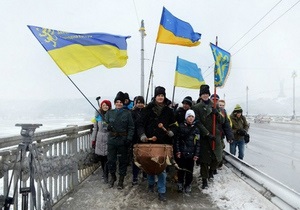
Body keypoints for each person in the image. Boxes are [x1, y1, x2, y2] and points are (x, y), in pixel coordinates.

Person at [137, 86, 177, 202]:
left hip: (163, 143)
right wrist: (142, 135)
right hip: (149, 143)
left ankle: (161, 191)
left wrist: (172, 132)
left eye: (162, 95)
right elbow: (140, 124)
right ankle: (150, 183)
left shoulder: (169, 111)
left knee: (161, 167)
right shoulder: (147, 109)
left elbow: (174, 125)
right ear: (155, 96)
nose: (160, 97)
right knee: (149, 164)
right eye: (158, 95)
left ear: (164, 97)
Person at [192, 84, 224, 189]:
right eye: (203, 94)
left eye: (206, 94)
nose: (205, 96)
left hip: (216, 135)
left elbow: (222, 121)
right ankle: (205, 179)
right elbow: (198, 122)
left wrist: (217, 114)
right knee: (204, 160)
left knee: (217, 158)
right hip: (205, 137)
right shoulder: (197, 107)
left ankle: (211, 171)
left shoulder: (215, 106)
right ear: (200, 95)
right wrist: (207, 134)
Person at [105, 91, 134, 189]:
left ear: (123, 103)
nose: (119, 104)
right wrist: (107, 127)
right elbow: (104, 124)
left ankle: (121, 180)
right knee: (111, 160)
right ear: (114, 103)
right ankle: (113, 177)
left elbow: (131, 127)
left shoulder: (127, 113)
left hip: (123, 141)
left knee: (123, 161)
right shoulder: (109, 113)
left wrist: (129, 138)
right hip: (112, 141)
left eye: (121, 102)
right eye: (117, 102)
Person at [175, 109, 200, 193]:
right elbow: (177, 140)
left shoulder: (196, 129)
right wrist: (177, 151)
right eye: (189, 116)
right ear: (186, 117)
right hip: (182, 153)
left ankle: (188, 184)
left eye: (192, 117)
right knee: (181, 169)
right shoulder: (180, 127)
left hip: (191, 154)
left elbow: (198, 143)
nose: (191, 118)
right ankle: (180, 183)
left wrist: (196, 154)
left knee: (190, 171)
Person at [210, 95, 234, 172]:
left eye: (216, 99)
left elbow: (226, 124)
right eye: (213, 99)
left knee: (219, 153)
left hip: (219, 136)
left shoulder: (222, 112)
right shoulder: (206, 108)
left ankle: (214, 168)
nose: (214, 101)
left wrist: (229, 136)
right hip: (208, 136)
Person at [91, 100, 112, 183]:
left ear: (109, 106)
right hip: (99, 138)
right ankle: (104, 172)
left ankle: (106, 175)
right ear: (101, 106)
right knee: (102, 158)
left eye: (107, 105)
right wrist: (93, 140)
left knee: (107, 158)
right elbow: (95, 129)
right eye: (103, 105)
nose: (105, 106)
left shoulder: (111, 115)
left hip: (109, 137)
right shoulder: (98, 116)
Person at [131, 96, 147, 185]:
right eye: (138, 102)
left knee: (145, 157)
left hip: (145, 138)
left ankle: (145, 174)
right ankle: (135, 176)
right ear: (135, 103)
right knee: (135, 158)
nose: (140, 104)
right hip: (135, 138)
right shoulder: (132, 112)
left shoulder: (147, 112)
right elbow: (132, 124)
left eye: (141, 102)